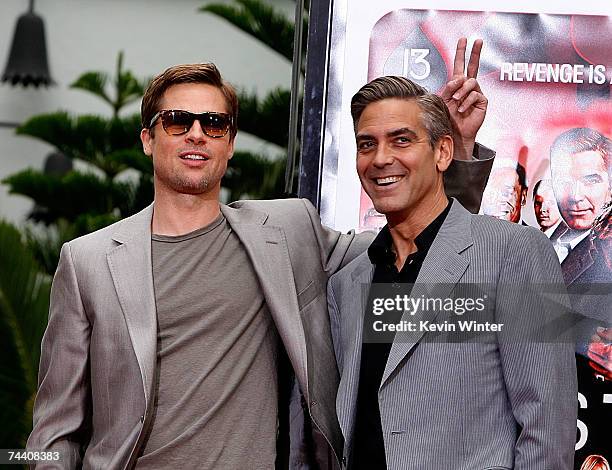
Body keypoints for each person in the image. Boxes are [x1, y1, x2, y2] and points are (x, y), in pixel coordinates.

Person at [27, 40, 494, 469]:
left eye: (214, 123)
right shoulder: (87, 261)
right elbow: (51, 435)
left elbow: (417, 238)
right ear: (149, 139)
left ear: (229, 144)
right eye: (177, 121)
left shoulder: (288, 233)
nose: (196, 134)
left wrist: (456, 154)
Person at [328, 76, 577, 469]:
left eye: (401, 140)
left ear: (443, 152)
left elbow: (547, 429)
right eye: (366, 144)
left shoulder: (513, 253)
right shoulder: (349, 281)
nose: (379, 158)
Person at [549, 127, 611, 282]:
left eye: (590, 181)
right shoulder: (546, 240)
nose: (575, 196)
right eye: (563, 182)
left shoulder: (607, 253)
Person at [481, 158, 528, 224]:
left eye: (505, 193)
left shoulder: (533, 234)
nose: (498, 201)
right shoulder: (472, 230)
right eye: (492, 193)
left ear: (523, 197)